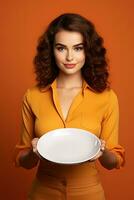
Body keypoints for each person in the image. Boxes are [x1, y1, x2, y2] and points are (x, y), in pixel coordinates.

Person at [14, 13, 125, 200]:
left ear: (88, 51)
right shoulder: (33, 96)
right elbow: (23, 160)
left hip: (88, 192)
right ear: (51, 51)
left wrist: (103, 151)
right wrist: (34, 152)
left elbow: (114, 161)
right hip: (42, 192)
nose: (69, 56)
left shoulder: (106, 97)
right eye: (61, 48)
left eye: (78, 48)